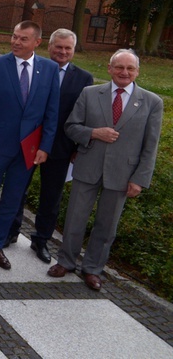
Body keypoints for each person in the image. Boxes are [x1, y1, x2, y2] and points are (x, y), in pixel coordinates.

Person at [48, 49, 162, 291]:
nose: (124, 72)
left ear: (137, 72)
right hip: (88, 165)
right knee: (75, 219)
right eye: (119, 67)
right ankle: (66, 262)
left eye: (130, 68)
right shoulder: (90, 94)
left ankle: (92, 269)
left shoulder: (152, 102)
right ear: (110, 69)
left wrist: (140, 179)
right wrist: (93, 133)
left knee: (107, 225)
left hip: (123, 173)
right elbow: (71, 126)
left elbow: (150, 145)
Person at [0, 21, 59, 270]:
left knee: (12, 199)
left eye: (23, 39)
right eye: (15, 37)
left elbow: (52, 113)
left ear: (37, 42)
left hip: (28, 151)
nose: (16, 42)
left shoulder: (50, 70)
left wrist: (45, 147)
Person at [5, 29, 93, 261]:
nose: (62, 52)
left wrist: (76, 148)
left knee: (51, 197)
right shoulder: (36, 67)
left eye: (68, 48)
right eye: (58, 47)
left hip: (61, 147)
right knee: (17, 189)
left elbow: (86, 115)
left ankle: (41, 240)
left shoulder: (84, 78)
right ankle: (10, 231)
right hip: (29, 142)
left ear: (73, 51)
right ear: (49, 46)